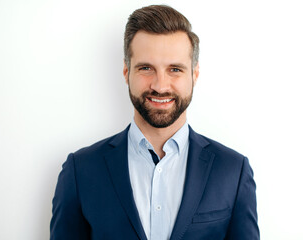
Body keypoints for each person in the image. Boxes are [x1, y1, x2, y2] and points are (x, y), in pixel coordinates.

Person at [50, 4, 259, 240]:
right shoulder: (80, 171)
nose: (160, 86)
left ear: (195, 74)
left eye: (175, 69)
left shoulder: (233, 171)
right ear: (126, 72)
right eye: (146, 68)